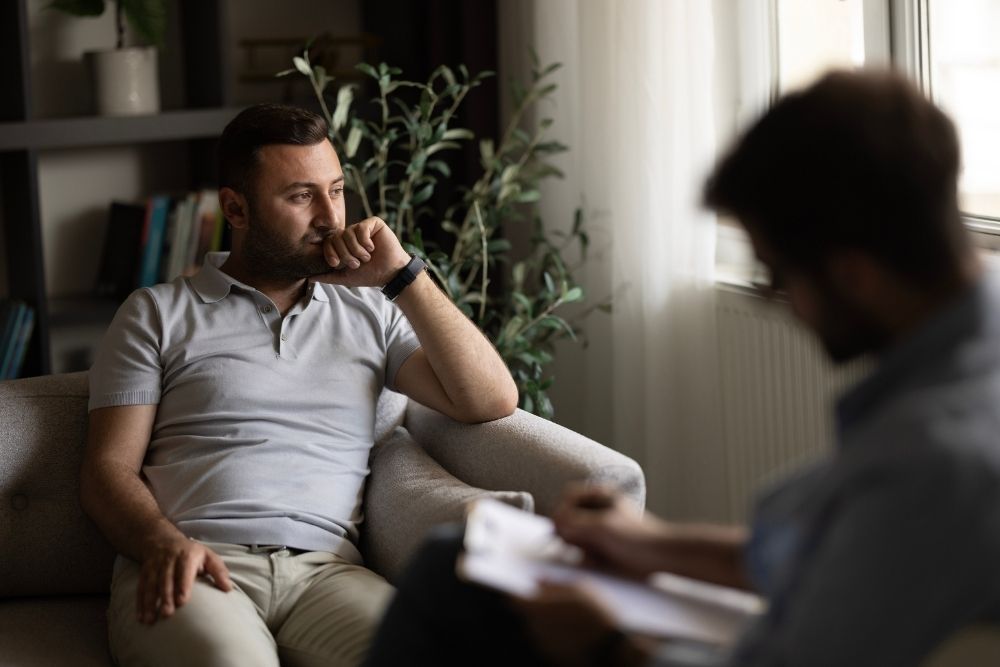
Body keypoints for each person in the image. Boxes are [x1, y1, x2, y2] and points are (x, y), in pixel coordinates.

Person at [362, 69, 1000, 666]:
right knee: (457, 562)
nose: (780, 302)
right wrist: (650, 544)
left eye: (778, 277)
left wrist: (610, 644)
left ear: (853, 274)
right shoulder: (963, 357)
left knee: (453, 584)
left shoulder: (938, 459)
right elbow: (838, 551)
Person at [80, 103, 518, 667]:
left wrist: (402, 276)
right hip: (196, 563)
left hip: (329, 574)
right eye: (301, 196)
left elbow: (490, 399)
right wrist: (161, 542)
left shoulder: (371, 311)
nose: (331, 218)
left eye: (335, 190)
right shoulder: (156, 314)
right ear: (235, 209)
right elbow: (107, 470)